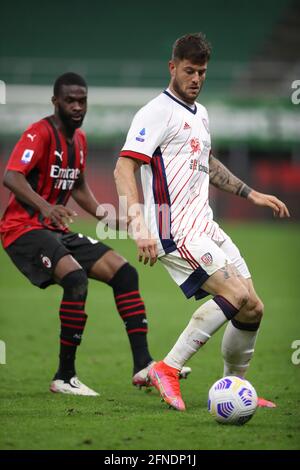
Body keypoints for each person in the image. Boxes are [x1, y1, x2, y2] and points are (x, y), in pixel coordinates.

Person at [114, 33, 290, 411]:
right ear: (172, 67)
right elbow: (124, 166)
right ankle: (168, 368)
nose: (196, 79)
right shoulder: (155, 112)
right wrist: (138, 226)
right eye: (189, 71)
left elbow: (206, 162)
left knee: (252, 307)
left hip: (205, 226)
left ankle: (235, 388)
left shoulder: (201, 113)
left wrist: (251, 193)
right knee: (235, 295)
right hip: (172, 228)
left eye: (202, 73)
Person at [0, 72, 192, 396]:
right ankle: (64, 376)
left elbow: (81, 191)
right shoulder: (39, 133)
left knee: (124, 272)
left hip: (55, 230)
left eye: (82, 100)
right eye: (70, 100)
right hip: (23, 229)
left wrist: (121, 221)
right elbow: (12, 177)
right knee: (75, 279)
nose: (77, 106)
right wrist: (46, 207)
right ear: (55, 102)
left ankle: (143, 365)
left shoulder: (81, 142)